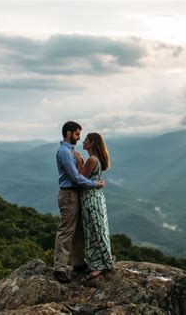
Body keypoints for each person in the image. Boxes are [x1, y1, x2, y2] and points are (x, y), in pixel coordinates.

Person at [54, 121, 104, 284]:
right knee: (67, 230)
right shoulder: (65, 152)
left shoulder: (71, 151)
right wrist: (94, 184)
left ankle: (78, 263)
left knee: (79, 229)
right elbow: (75, 177)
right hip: (69, 194)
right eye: (76, 134)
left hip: (76, 193)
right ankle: (60, 268)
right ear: (68, 134)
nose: (79, 137)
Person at [78, 132, 114, 280]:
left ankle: (99, 265)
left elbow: (79, 178)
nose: (83, 142)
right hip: (97, 197)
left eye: (86, 140)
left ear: (92, 143)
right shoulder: (96, 159)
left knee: (94, 230)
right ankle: (101, 261)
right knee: (99, 229)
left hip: (90, 198)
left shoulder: (92, 160)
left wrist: (77, 160)